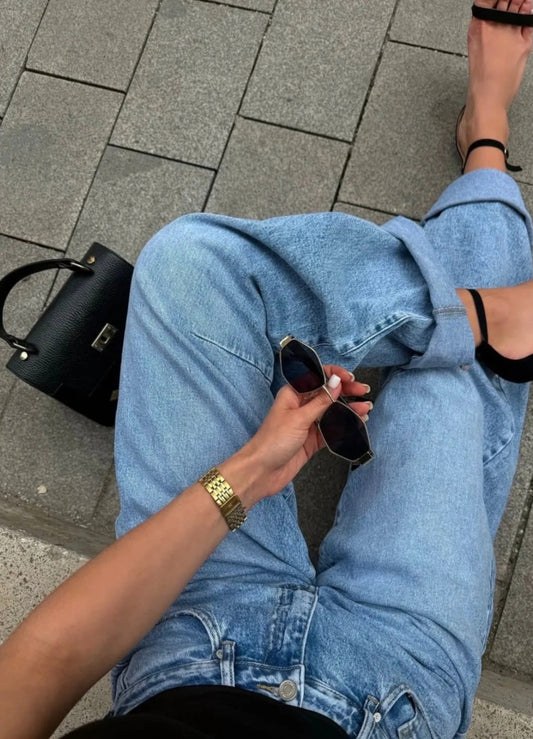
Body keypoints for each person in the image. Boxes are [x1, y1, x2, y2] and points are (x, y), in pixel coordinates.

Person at [1, 2, 533, 737]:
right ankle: (486, 144)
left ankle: (475, 311)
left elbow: (41, 664)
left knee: (187, 264)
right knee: (454, 383)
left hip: (190, 629)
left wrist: (249, 471)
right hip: (397, 686)